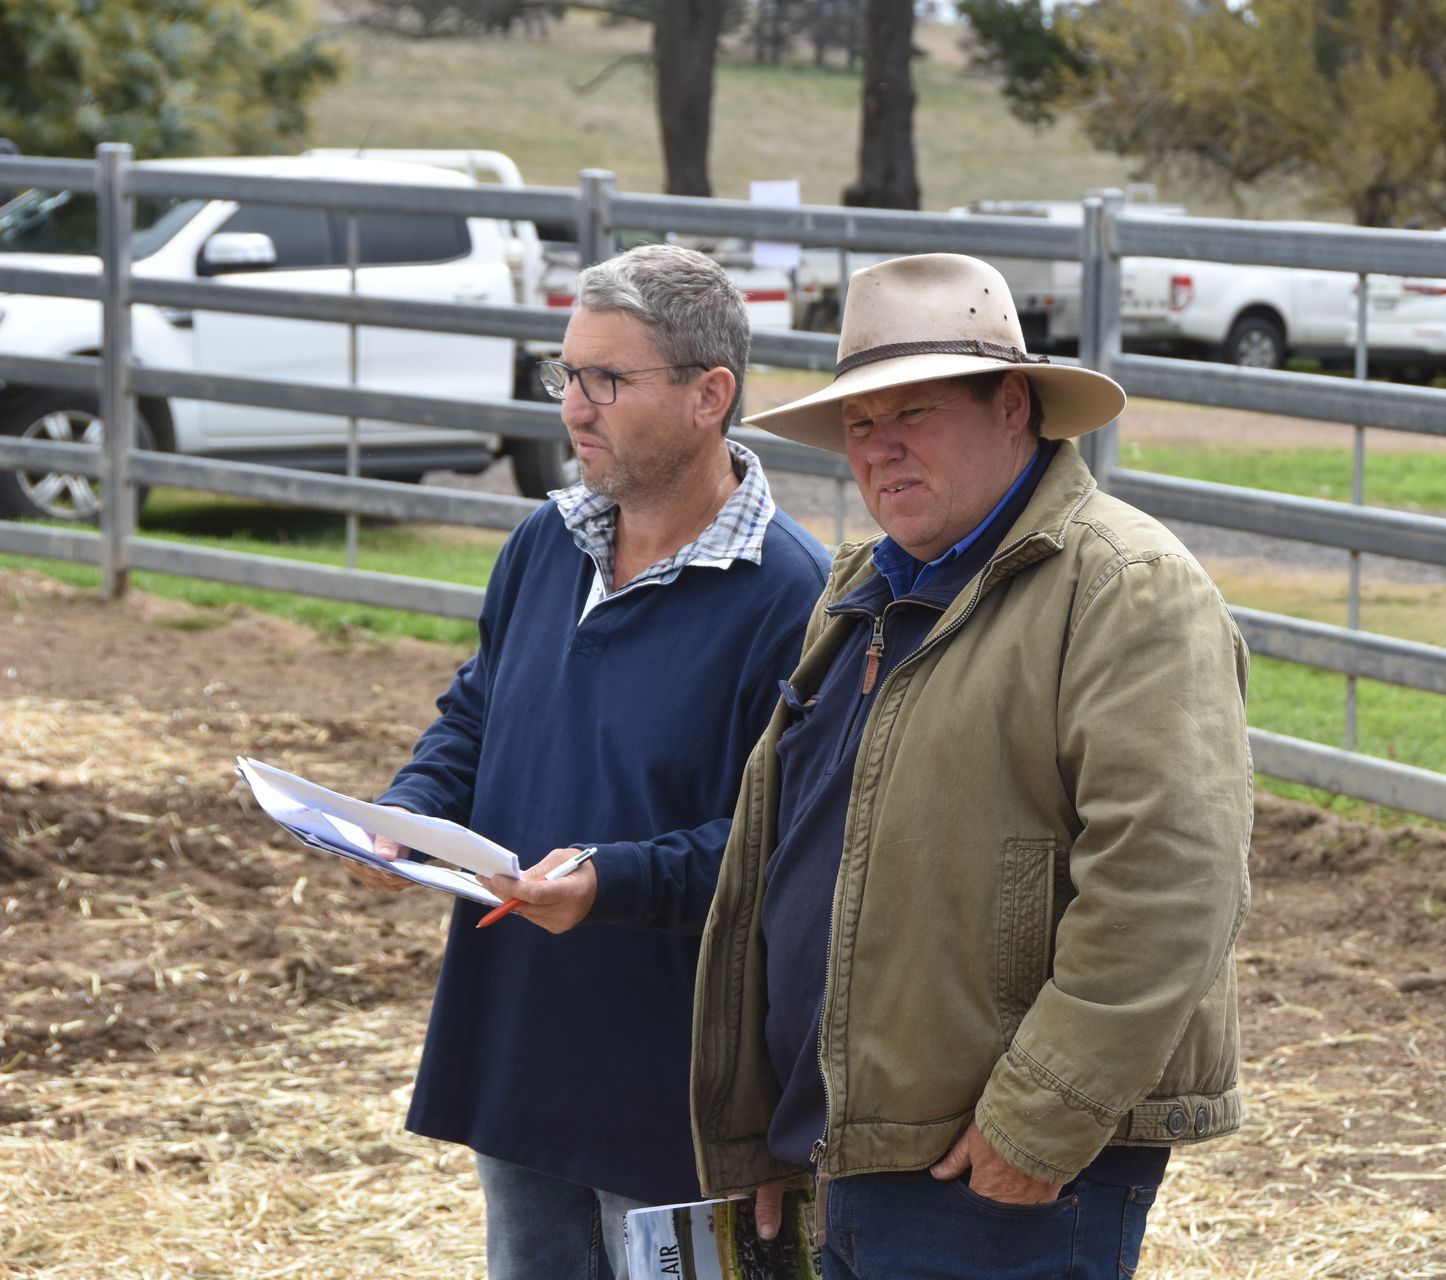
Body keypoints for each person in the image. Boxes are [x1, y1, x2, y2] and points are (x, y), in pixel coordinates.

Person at [688, 252, 1254, 1277]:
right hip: (855, 1148)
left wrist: (1043, 1114)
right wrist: (764, 1124)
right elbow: (802, 851)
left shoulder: (1127, 587)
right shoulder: (865, 586)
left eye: (916, 412)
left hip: (994, 1172)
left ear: (1013, 407)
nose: (881, 447)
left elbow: (1170, 878)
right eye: (860, 424)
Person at [348, 243, 829, 1279]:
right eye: (566, 374)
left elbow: (784, 849)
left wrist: (614, 879)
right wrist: (411, 804)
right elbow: (479, 709)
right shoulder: (544, 543)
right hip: (524, 1032)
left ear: (712, 394)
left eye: (607, 380)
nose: (573, 407)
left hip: (681, 1082)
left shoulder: (793, 598)